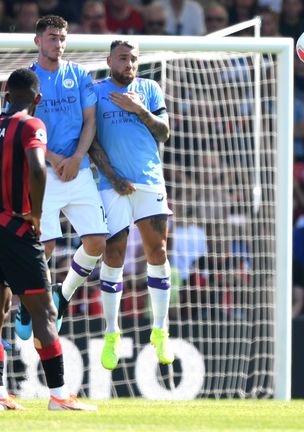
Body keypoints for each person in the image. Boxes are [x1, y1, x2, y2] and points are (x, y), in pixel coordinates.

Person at [0, 68, 95, 411]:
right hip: (17, 230)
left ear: (6, 96)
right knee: (44, 311)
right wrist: (36, 214)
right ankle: (58, 395)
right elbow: (38, 168)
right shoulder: (31, 125)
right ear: (37, 100)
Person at [16, 15, 109, 341]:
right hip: (43, 170)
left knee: (97, 242)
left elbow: (90, 123)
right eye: (52, 37)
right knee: (47, 245)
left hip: (78, 169)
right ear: (38, 40)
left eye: (62, 38)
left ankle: (64, 293)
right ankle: (28, 303)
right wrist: (56, 159)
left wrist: (77, 158)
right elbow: (20, 127)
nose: (58, 43)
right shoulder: (27, 80)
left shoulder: (79, 74)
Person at [87, 40, 174, 370]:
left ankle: (160, 330)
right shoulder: (96, 91)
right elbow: (91, 140)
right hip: (112, 185)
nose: (129, 63)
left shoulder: (149, 89)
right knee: (114, 255)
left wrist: (140, 109)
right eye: (123, 58)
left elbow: (164, 133)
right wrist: (112, 176)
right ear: (109, 59)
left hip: (150, 180)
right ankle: (112, 334)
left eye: (134, 58)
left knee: (159, 252)